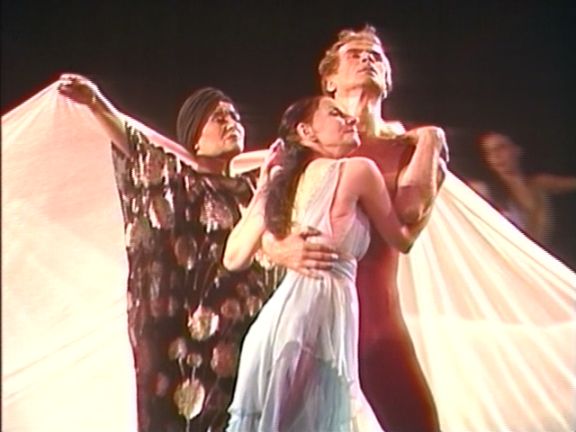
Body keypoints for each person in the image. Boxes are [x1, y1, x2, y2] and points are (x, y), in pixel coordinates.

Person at [57, 74, 280, 432]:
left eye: (235, 117)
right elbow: (134, 146)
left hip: (252, 337)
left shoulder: (258, 189)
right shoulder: (179, 183)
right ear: (194, 137)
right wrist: (97, 102)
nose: (232, 123)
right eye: (218, 118)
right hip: (190, 343)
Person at [255, 25, 447, 431]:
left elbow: (411, 211)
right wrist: (277, 247)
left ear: (390, 79)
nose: (368, 58)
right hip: (309, 316)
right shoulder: (308, 143)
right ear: (329, 80)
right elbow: (263, 216)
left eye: (376, 54)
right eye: (356, 53)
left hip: (376, 324)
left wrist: (432, 138)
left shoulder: (412, 146)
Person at [223, 95, 426, 431]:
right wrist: (428, 149)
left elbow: (233, 258)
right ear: (306, 132)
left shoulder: (281, 183)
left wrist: (263, 189)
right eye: (335, 114)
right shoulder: (358, 170)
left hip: (279, 327)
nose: (349, 120)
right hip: (312, 328)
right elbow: (403, 237)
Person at [468, 131, 576, 245]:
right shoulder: (482, 189)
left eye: (501, 148)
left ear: (517, 150)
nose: (496, 156)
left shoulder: (539, 184)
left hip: (538, 256)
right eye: (489, 152)